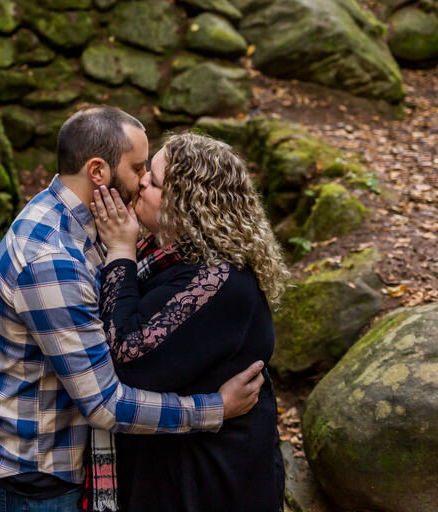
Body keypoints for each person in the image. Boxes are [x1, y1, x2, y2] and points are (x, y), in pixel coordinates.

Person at [0, 107, 268, 512]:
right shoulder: (51, 260)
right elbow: (105, 403)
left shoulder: (85, 223)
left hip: (63, 463)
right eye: (138, 168)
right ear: (98, 172)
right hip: (40, 477)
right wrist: (215, 408)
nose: (142, 180)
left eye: (151, 173)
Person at [90, 131, 289, 512]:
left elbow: (124, 361)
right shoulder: (172, 254)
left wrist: (120, 251)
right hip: (174, 466)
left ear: (186, 206)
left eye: (155, 181)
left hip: (209, 483)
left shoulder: (221, 281)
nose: (141, 181)